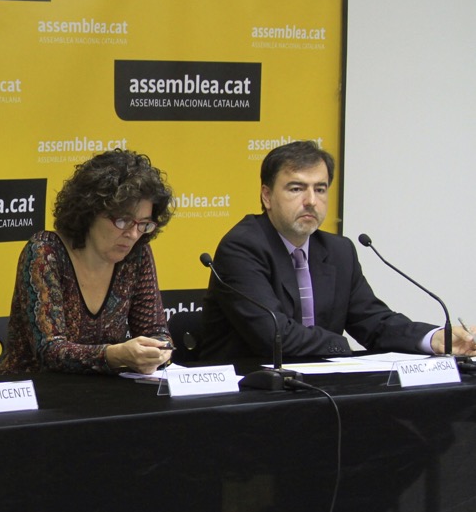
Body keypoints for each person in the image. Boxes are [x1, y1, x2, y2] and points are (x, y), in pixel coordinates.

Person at [199, 140, 476, 360]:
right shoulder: (242, 247)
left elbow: (373, 322)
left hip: (320, 391)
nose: (311, 201)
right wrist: (342, 346)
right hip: (247, 394)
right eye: (296, 189)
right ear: (267, 196)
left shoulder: (338, 250)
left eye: (320, 189)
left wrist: (436, 338)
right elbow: (274, 335)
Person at [0, 149, 175, 376]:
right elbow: (50, 351)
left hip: (107, 391)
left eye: (144, 224)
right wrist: (115, 355)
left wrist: (159, 352)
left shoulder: (137, 255)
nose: (133, 234)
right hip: (35, 390)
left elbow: (156, 331)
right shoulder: (45, 252)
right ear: (90, 212)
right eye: (123, 221)